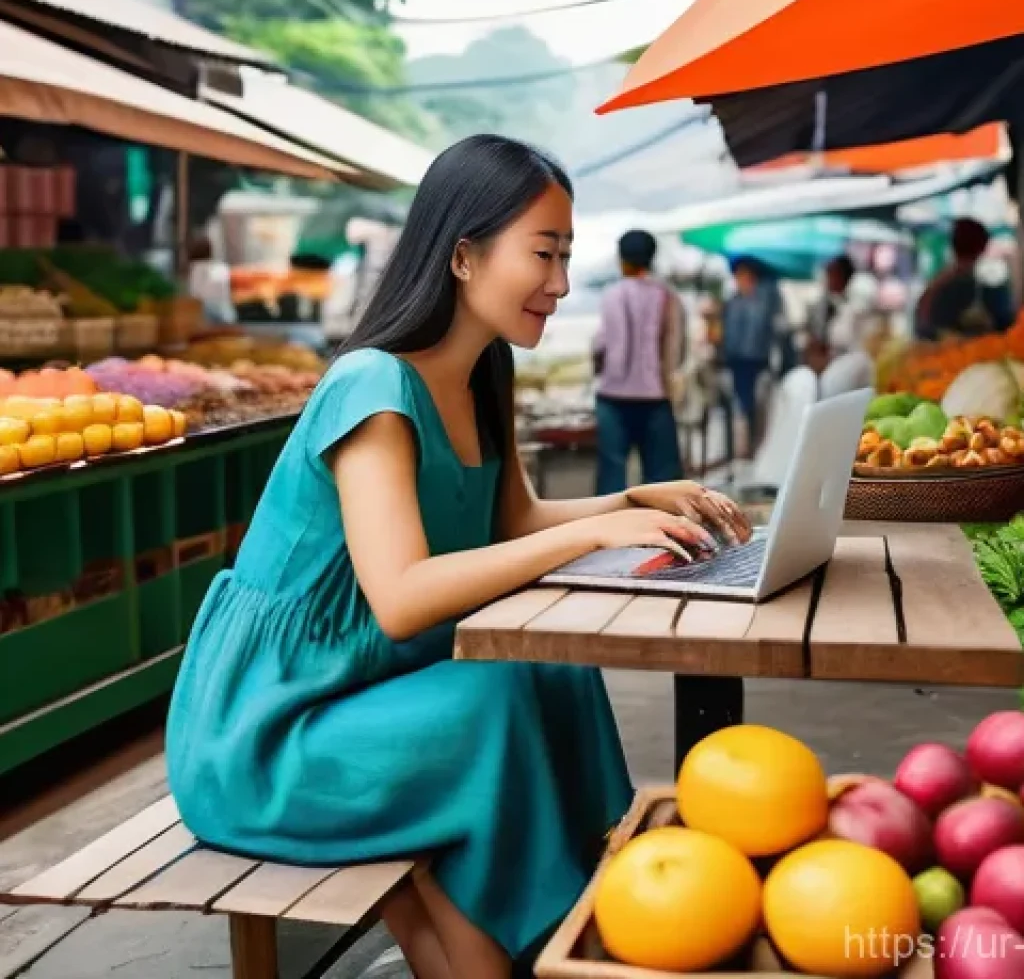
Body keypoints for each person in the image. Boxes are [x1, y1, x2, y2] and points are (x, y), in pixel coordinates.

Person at [164, 135, 752, 979]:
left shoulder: (484, 373)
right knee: (494, 695)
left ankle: (595, 902)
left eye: (566, 256)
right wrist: (593, 535)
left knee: (555, 664)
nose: (558, 283)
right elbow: (401, 596)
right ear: (465, 256)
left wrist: (632, 501)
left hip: (368, 686)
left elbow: (513, 520)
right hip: (271, 731)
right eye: (543, 254)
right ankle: (535, 946)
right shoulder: (372, 386)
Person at [591, 229, 685, 495]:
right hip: (655, 397)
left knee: (612, 478)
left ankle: (611, 534)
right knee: (662, 482)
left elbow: (600, 345)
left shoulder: (612, 294)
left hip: (612, 397)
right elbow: (677, 347)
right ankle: (662, 535)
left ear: (621, 259)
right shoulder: (667, 295)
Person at [721, 256, 785, 453]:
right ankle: (744, 448)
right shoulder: (733, 301)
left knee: (757, 406)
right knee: (741, 405)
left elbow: (775, 330)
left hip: (758, 361)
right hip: (736, 360)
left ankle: (757, 447)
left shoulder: (766, 299)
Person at [914, 217, 1016, 341]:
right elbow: (1006, 324)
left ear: (953, 244)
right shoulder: (989, 285)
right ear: (983, 246)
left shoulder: (936, 285)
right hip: (976, 355)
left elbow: (922, 327)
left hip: (939, 355)